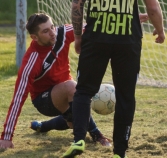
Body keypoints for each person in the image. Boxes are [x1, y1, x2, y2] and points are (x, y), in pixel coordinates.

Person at [63, 0, 165, 158]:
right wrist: (160, 31)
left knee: (84, 91)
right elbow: (153, 8)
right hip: (127, 41)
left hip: (96, 38)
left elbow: (77, 5)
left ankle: (78, 140)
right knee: (126, 96)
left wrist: (78, 37)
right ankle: (120, 152)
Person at [0, 13, 112, 150]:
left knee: (75, 121)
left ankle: (44, 126)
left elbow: (92, 27)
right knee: (73, 88)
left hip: (68, 92)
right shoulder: (32, 61)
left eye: (52, 27)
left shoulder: (62, 33)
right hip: (43, 100)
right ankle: (97, 135)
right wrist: (6, 136)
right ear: (35, 37)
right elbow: (18, 99)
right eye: (45, 31)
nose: (52, 33)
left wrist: (133, 20)